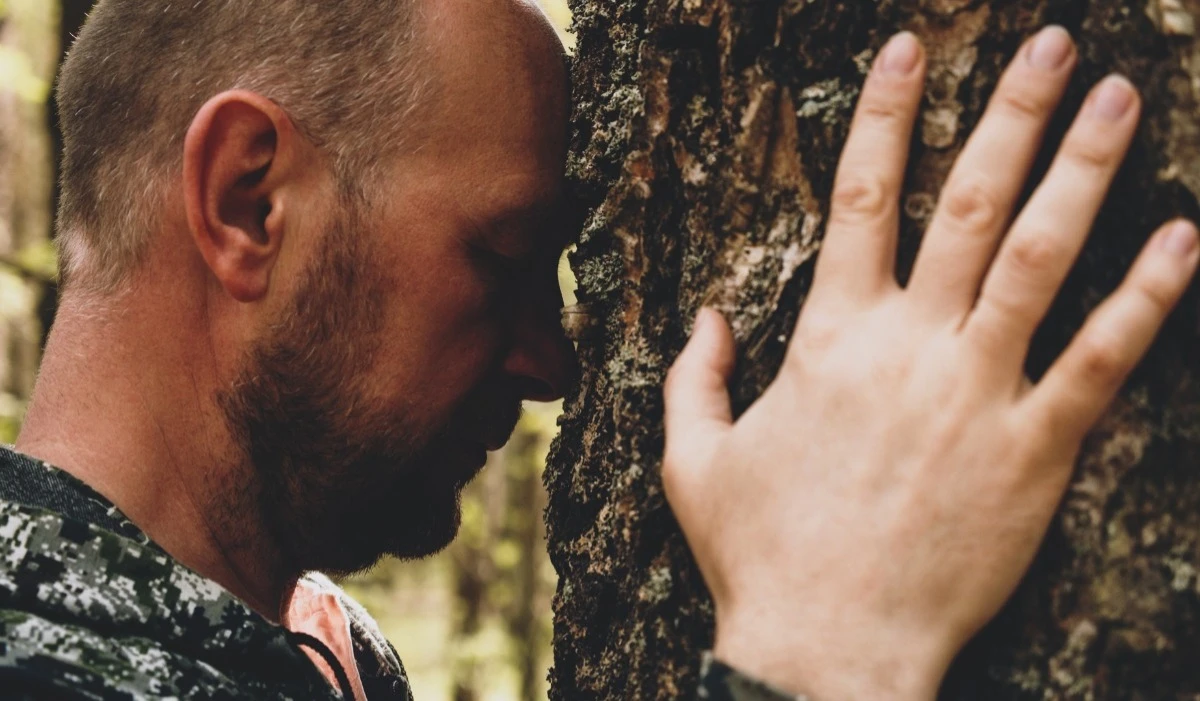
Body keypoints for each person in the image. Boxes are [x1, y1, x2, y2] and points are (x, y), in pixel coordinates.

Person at [0, 0, 1193, 698]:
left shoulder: (314, 649)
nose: (552, 363)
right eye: (504, 255)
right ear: (251, 200)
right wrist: (819, 645)